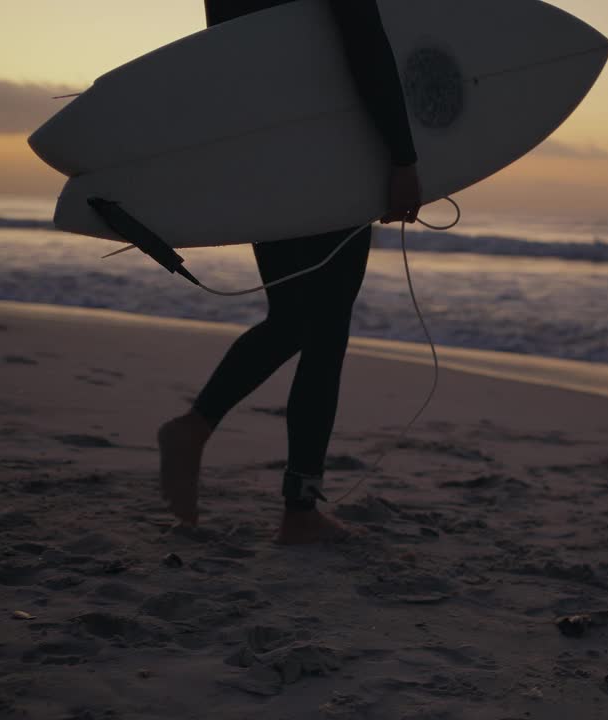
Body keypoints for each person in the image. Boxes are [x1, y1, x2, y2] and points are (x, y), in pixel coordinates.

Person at [157, 0, 423, 544]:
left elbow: (234, 48)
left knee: (297, 318)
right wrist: (403, 157)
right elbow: (364, 45)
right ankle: (289, 504)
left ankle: (211, 441)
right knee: (321, 330)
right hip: (323, 145)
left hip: (261, 147)